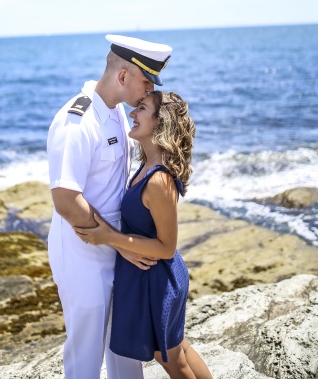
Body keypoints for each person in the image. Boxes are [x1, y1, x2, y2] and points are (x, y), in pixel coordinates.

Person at [47, 34, 173, 379]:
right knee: (86, 356)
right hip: (82, 252)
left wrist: (123, 243)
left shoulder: (117, 112)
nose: (149, 92)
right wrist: (121, 242)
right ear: (123, 77)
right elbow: (66, 202)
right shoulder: (78, 121)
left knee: (125, 348)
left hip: (116, 245)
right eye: (146, 81)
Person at [74, 91, 213, 379]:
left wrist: (108, 237)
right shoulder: (146, 166)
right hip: (149, 277)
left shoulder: (159, 179)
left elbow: (166, 247)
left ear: (160, 122)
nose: (132, 114)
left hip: (159, 278)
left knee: (170, 358)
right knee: (177, 348)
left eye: (141, 108)